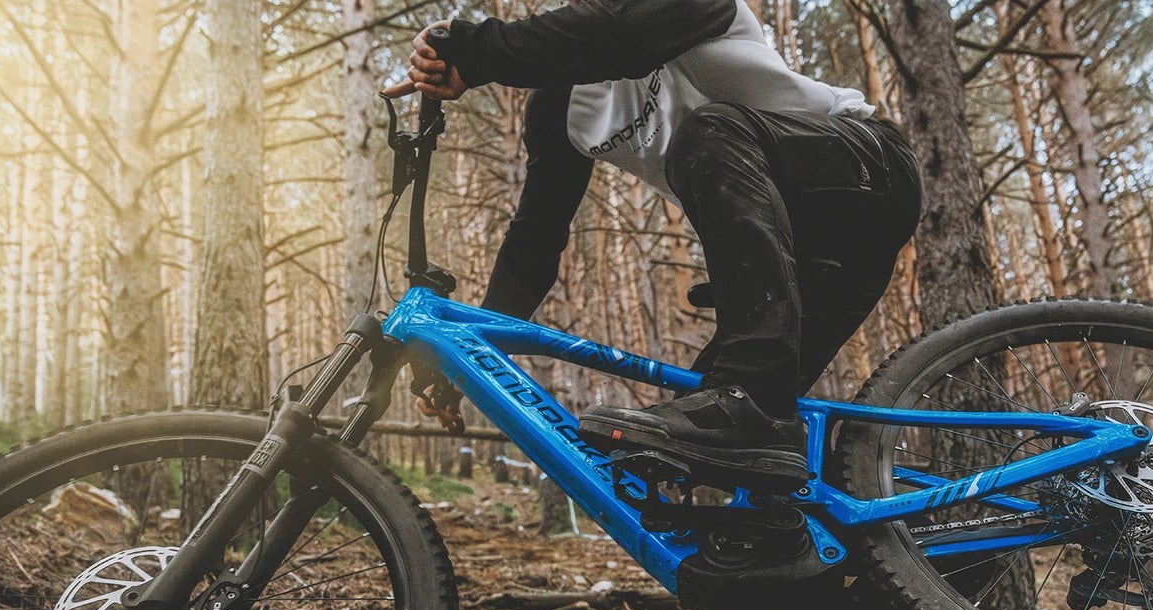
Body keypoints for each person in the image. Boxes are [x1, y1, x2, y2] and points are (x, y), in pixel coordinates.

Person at [388, 0, 921, 487]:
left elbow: (608, 31)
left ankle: (751, 397)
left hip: (867, 174)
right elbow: (534, 241)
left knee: (709, 134)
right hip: (794, 251)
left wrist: (477, 53)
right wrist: (470, 356)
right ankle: (839, 565)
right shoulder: (559, 105)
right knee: (718, 440)